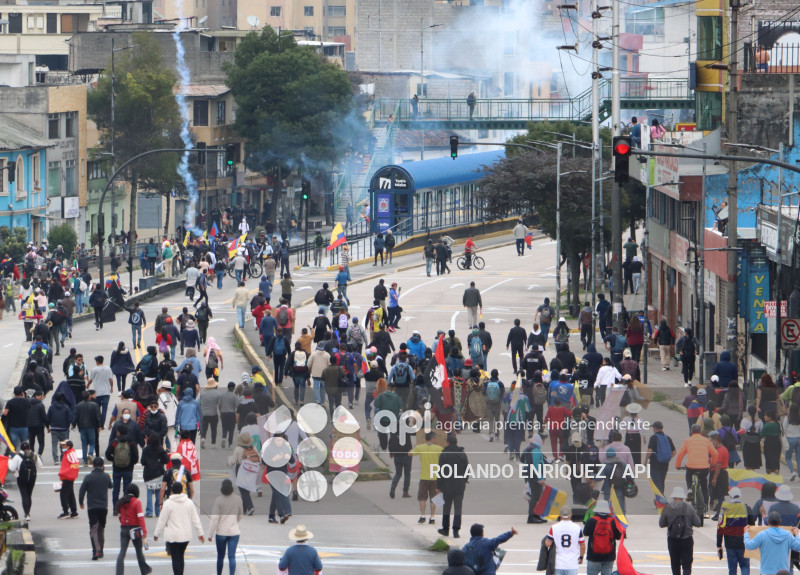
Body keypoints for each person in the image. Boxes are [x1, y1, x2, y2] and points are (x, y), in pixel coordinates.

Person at [154, 482, 205, 575]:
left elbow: (162, 520)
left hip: (173, 536)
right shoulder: (189, 502)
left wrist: (156, 534)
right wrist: (200, 533)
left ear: (172, 491)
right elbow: (195, 519)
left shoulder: (168, 503)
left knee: (175, 558)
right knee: (181, 556)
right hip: (185, 535)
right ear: (182, 490)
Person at [660, 486, 702, 575]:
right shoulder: (689, 508)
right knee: (686, 565)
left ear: (673, 496)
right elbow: (698, 523)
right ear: (682, 497)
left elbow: (661, 524)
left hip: (672, 539)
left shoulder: (667, 507)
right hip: (686, 539)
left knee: (675, 564)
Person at [675, 423, 717, 510]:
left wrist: (678, 465)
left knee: (688, 476)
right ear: (700, 432)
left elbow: (680, 455)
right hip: (704, 468)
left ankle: (690, 489)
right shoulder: (706, 440)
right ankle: (705, 504)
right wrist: (712, 463)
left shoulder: (688, 441)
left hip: (691, 467)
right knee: (704, 486)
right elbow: (715, 453)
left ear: (691, 432)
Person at [207, 479, 243, 575]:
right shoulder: (238, 499)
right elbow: (240, 515)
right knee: (232, 557)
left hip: (221, 532)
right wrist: (235, 522)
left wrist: (210, 534)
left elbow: (214, 519)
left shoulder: (219, 500)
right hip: (234, 532)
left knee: (220, 556)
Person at [437, 434, 469, 538]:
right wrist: (464, 480)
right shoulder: (462, 454)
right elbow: (467, 469)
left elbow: (441, 471)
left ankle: (445, 529)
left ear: (448, 443)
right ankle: (456, 530)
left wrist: (438, 485)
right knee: (458, 508)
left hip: (447, 485)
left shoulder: (444, 454)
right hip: (459, 485)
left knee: (446, 507)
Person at [716, 487, 754, 575]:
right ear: (740, 496)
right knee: (745, 566)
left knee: (732, 569)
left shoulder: (725, 509)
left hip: (730, 544)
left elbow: (720, 528)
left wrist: (719, 545)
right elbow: (752, 526)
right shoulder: (747, 508)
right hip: (744, 543)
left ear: (730, 496)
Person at [115, 483, 150, 574]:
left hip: (124, 528)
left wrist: (123, 523)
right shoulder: (137, 502)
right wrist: (144, 531)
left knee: (122, 552)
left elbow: (119, 516)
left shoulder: (121, 502)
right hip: (135, 529)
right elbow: (140, 518)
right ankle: (144, 570)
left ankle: (119, 572)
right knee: (139, 551)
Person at [410, 431, 444, 525]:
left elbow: (410, 454)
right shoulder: (438, 448)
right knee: (434, 498)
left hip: (424, 477)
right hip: (435, 477)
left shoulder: (420, 448)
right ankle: (432, 517)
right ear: (433, 438)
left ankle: (422, 515)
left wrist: (415, 447)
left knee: (422, 497)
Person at [583, 500, 623, 575]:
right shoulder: (613, 521)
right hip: (609, 556)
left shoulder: (591, 520)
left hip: (593, 556)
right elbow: (618, 536)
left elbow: (585, 533)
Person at [105, 425, 139, 510]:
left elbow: (107, 454)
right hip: (128, 469)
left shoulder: (115, 442)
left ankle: (115, 508)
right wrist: (131, 463)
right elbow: (135, 456)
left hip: (117, 469)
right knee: (126, 489)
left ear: (118, 432)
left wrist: (114, 459)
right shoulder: (130, 442)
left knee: (116, 489)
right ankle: (125, 508)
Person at [547, 506, 586, 575]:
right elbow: (582, 545)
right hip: (572, 563)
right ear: (571, 515)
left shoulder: (553, 527)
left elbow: (548, 544)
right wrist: (581, 557)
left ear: (560, 515)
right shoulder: (577, 527)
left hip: (558, 563)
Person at [644, 421, 675, 496]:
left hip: (655, 464)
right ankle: (660, 498)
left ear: (655, 428)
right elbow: (674, 451)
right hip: (665, 464)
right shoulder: (668, 438)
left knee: (656, 483)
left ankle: (661, 499)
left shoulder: (653, 438)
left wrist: (645, 461)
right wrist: (667, 458)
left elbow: (650, 450)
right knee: (661, 481)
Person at [9, 441, 38, 522]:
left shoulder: (18, 457)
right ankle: (28, 512)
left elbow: (11, 468)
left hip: (21, 478)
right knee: (29, 495)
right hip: (32, 478)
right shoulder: (34, 455)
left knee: (24, 495)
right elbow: (40, 465)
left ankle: (26, 513)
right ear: (29, 448)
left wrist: (9, 462)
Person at [57, 439, 80, 519]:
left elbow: (75, 465)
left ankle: (66, 511)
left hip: (68, 477)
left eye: (64, 445)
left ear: (68, 446)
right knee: (70, 494)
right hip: (68, 476)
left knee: (63, 494)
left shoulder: (70, 454)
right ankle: (74, 512)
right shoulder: (67, 453)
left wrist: (63, 473)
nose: (62, 446)